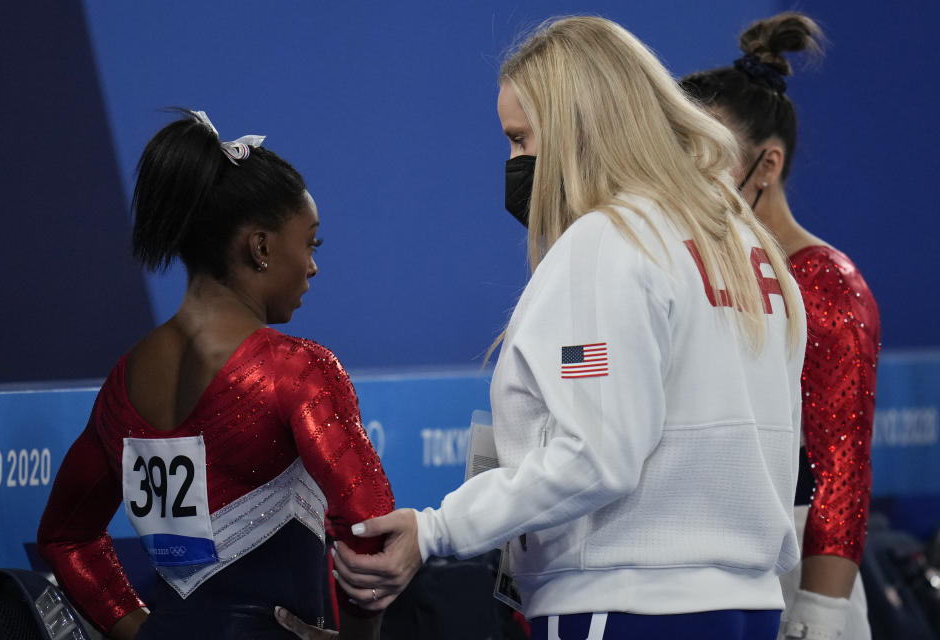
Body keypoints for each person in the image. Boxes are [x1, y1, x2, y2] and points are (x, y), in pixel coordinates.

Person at [316, 16, 807, 640]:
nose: (514, 164)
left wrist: (437, 529)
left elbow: (596, 457)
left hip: (625, 606)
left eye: (521, 141)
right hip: (749, 607)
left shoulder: (609, 242)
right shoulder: (747, 243)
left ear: (582, 130)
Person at [37, 109, 394, 640]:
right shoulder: (296, 369)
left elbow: (67, 539)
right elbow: (371, 527)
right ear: (262, 247)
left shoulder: (122, 386)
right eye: (311, 244)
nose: (314, 266)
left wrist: (142, 631)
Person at [681, 13, 880, 640]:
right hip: (711, 566)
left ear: (766, 165)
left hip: (799, 575)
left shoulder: (825, 283)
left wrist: (819, 618)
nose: (686, 176)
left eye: (709, 157)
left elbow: (840, 469)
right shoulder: (688, 265)